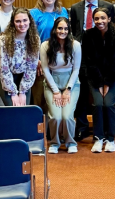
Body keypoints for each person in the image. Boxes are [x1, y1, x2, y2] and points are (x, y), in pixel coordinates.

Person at [70, 0, 115, 141]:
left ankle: (103, 128)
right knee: (81, 92)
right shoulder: (75, 8)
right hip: (80, 54)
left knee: (99, 92)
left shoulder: (108, 7)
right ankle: (82, 127)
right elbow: (73, 31)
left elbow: (112, 31)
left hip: (100, 54)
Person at [82, 7, 115, 153]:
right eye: (96, 19)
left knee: (108, 104)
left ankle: (110, 138)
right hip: (94, 77)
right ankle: (98, 138)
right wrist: (99, 83)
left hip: (111, 77)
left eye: (103, 18)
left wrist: (107, 82)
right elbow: (89, 61)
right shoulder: (87, 35)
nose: (99, 21)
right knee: (97, 103)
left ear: (109, 19)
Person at [41, 17, 81, 154]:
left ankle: (70, 142)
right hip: (52, 82)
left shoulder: (75, 45)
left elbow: (76, 69)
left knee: (67, 115)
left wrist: (68, 89)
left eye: (65, 28)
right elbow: (45, 70)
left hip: (71, 82)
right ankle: (54, 142)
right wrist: (56, 91)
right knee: (56, 116)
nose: (62, 31)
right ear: (55, 29)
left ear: (69, 30)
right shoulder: (45, 45)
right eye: (60, 28)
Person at [30, 0, 69, 108]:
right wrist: (37, 59)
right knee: (40, 98)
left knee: (56, 98)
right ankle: (40, 126)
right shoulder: (34, 13)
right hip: (41, 60)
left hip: (60, 59)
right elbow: (31, 38)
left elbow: (68, 34)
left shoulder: (63, 11)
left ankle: (54, 126)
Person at [0, 8, 40, 106]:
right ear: (13, 23)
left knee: (24, 108)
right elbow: (4, 68)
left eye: (25, 20)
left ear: (29, 21)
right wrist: (13, 93)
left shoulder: (35, 39)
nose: (22, 24)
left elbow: (31, 67)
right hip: (6, 78)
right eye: (18, 21)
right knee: (14, 107)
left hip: (24, 77)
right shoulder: (2, 40)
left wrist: (22, 91)